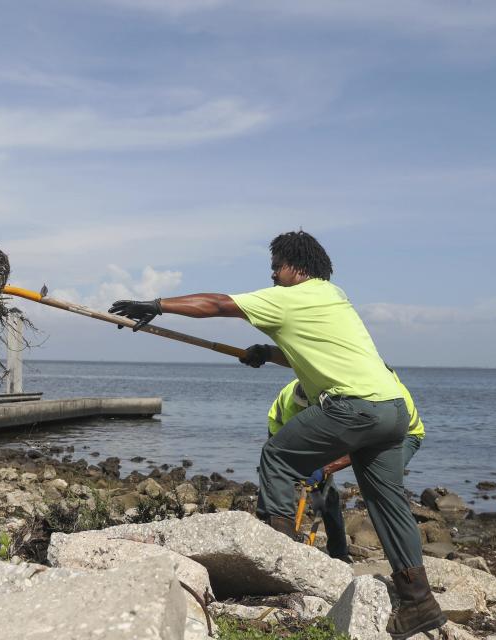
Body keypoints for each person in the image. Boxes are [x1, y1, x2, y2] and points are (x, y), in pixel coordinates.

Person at [109, 231, 445, 639]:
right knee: (387, 503)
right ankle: (419, 603)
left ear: (297, 268)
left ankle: (278, 562)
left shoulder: (289, 297)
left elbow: (217, 304)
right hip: (394, 412)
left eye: (276, 267)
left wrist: (157, 305)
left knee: (278, 456)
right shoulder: (335, 298)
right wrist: (266, 353)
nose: (272, 275)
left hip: (354, 406)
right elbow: (312, 352)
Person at [270, 366, 426, 564]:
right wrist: (308, 465)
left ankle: (391, 557)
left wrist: (325, 468)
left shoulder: (376, 391)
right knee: (288, 486)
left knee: (381, 491)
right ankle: (280, 541)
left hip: (404, 434)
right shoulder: (300, 401)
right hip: (279, 432)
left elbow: (361, 447)